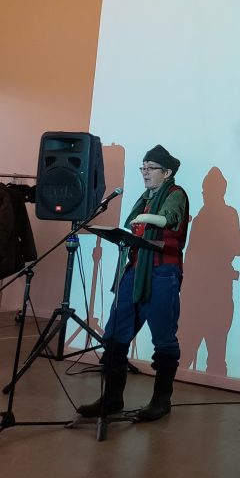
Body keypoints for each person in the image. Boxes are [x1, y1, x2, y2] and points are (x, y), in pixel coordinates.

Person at [77, 144, 190, 422]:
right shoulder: (146, 196)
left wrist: (145, 218)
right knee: (114, 333)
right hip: (135, 270)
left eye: (151, 168)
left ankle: (161, 401)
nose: (145, 172)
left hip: (162, 273)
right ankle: (112, 398)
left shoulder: (176, 194)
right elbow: (132, 225)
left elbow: (170, 220)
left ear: (167, 172)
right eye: (143, 167)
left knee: (163, 338)